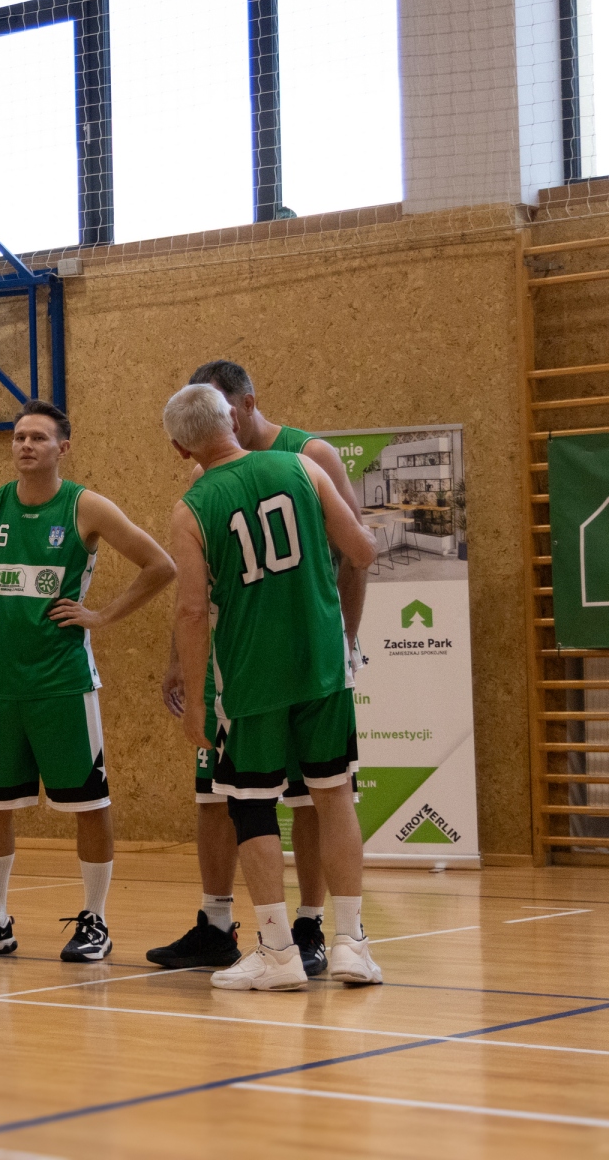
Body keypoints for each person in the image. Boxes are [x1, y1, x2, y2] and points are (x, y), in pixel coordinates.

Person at [0, 400, 175, 962]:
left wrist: (102, 615)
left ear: (62, 448)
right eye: (19, 436)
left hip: (63, 681)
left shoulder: (86, 506)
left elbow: (161, 565)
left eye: (38, 437)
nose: (25, 445)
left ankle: (96, 920)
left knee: (89, 804)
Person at [150, 359, 368, 975]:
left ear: (180, 447)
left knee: (252, 803)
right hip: (321, 667)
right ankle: (353, 944)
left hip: (250, 674)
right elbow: (362, 550)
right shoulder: (302, 469)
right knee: (333, 795)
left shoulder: (195, 504)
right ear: (230, 416)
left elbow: (193, 608)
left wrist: (197, 699)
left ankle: (280, 948)